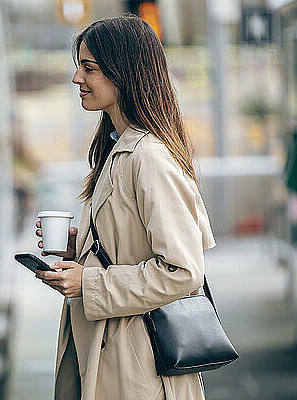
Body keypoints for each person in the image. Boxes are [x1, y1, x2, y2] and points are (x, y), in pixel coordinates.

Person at [34, 16, 216, 400]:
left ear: (124, 72)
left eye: (89, 68)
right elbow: (130, 246)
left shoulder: (148, 156)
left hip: (139, 364)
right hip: (117, 352)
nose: (76, 79)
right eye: (78, 66)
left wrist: (90, 282)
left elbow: (183, 270)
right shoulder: (118, 149)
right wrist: (78, 250)